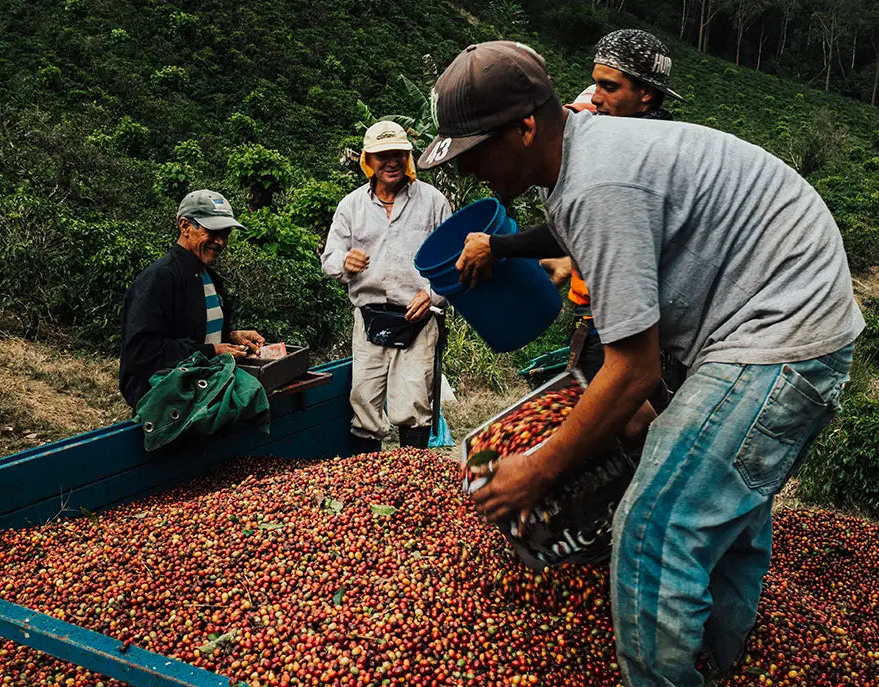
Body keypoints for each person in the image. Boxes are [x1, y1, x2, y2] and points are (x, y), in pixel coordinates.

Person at [418, 41, 864, 687]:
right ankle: (720, 663)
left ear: (524, 127)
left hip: (778, 336)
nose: (469, 172)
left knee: (656, 527)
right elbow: (645, 338)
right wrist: (651, 396)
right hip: (773, 322)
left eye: (474, 152)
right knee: (726, 515)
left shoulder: (598, 182)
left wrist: (539, 467)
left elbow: (627, 367)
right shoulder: (587, 156)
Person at [545, 29, 685, 384]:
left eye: (609, 87)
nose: (596, 99)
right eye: (596, 86)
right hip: (604, 313)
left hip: (628, 321)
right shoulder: (620, 140)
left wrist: (501, 246)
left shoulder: (642, 159)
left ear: (646, 94)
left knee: (621, 423)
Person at [321, 121, 451, 453]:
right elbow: (329, 259)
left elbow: (454, 260)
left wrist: (432, 294)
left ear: (408, 157)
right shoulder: (352, 206)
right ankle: (368, 485)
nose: (390, 162)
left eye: (397, 154)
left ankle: (412, 480)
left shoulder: (433, 202)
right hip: (369, 319)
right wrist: (344, 262)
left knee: (412, 407)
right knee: (364, 403)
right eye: (382, 156)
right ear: (368, 160)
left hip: (417, 318)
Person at [119, 189, 265, 408]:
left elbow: (194, 333)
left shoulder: (209, 277)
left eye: (225, 234)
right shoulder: (159, 279)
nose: (221, 242)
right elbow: (141, 352)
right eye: (213, 231)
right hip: (169, 408)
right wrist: (212, 351)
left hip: (203, 394)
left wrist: (230, 336)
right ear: (185, 226)